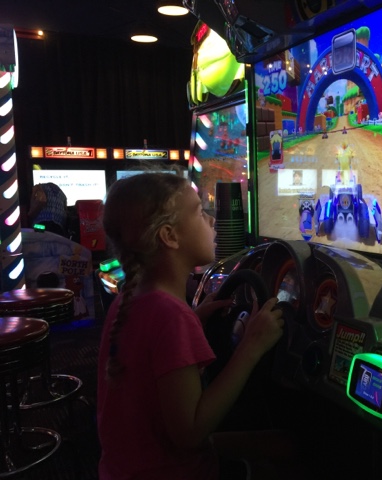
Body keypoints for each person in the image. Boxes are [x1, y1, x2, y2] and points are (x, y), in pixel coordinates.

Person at [97, 173, 291, 479]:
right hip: (173, 470)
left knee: (275, 444)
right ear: (170, 236)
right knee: (287, 449)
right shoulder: (172, 317)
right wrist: (251, 346)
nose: (212, 221)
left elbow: (149, 359)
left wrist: (196, 318)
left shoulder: (129, 300)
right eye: (200, 213)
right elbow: (191, 433)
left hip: (127, 467)